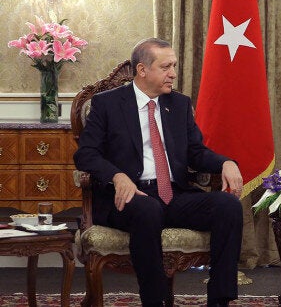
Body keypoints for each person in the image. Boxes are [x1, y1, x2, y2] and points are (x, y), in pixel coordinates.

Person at [74, 38, 243, 307]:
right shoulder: (106, 104)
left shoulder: (178, 104)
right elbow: (86, 154)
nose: (173, 73)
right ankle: (155, 301)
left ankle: (220, 300)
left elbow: (196, 153)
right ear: (142, 70)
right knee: (147, 209)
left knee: (228, 205)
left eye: (174, 65)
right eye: (166, 67)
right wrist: (118, 176)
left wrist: (226, 163)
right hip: (129, 198)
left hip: (173, 194)